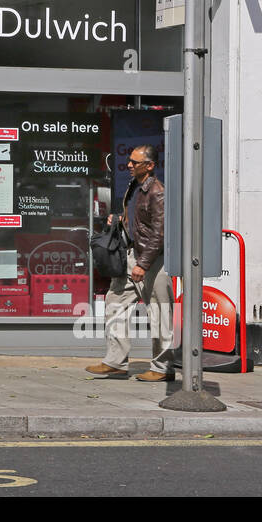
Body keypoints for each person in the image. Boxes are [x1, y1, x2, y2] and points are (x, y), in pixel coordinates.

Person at [85, 144, 174, 382]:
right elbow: (137, 219)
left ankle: (162, 368)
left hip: (152, 260)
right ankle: (115, 362)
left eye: (135, 162)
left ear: (150, 165)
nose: (130, 165)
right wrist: (121, 220)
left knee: (160, 313)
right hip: (131, 254)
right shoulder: (134, 186)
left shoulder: (157, 191)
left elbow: (159, 233)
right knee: (115, 302)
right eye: (130, 161)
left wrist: (143, 264)